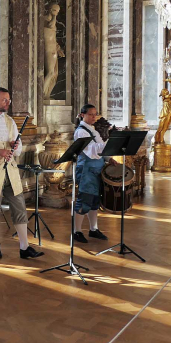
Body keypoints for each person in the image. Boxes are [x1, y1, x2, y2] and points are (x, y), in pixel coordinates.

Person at [0, 87, 43, 259]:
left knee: (19, 207)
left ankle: (24, 247)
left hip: (10, 172)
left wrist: (14, 145)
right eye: (4, 100)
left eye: (9, 100)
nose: (8, 103)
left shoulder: (10, 121)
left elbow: (18, 150)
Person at [73, 104, 109, 243]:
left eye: (95, 114)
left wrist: (108, 158)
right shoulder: (81, 132)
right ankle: (77, 231)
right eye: (91, 114)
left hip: (96, 169)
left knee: (95, 200)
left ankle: (93, 229)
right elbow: (91, 150)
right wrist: (109, 143)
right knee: (85, 199)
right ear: (83, 115)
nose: (94, 117)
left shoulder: (92, 130)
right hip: (87, 170)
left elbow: (100, 148)